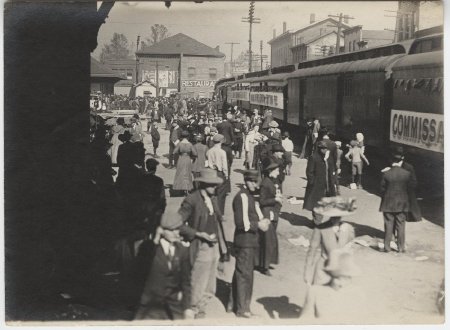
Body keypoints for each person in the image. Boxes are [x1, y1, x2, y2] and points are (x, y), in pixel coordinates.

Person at [177, 169, 229, 319]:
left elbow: (217, 219)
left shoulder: (213, 198)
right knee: (198, 279)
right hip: (201, 245)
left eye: (215, 185)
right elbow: (178, 223)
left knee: (210, 281)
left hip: (214, 245)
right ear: (202, 184)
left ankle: (202, 307)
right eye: (211, 185)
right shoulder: (192, 199)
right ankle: (192, 307)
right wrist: (199, 234)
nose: (214, 187)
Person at [134, 212, 193, 320]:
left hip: (174, 307)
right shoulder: (149, 249)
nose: (176, 233)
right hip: (150, 308)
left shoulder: (183, 251)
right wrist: (156, 238)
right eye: (171, 230)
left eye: (177, 229)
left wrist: (187, 308)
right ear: (162, 230)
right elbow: (141, 267)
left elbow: (186, 282)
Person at [228, 170, 270, 318]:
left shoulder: (250, 196)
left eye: (256, 182)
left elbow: (256, 215)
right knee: (245, 275)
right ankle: (242, 309)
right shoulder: (243, 197)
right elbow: (241, 223)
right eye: (252, 182)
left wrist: (264, 220)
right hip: (244, 241)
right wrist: (258, 224)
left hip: (251, 241)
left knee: (242, 272)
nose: (254, 185)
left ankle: (233, 303)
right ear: (246, 181)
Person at [302, 249, 367, 323]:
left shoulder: (357, 294)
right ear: (330, 274)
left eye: (346, 277)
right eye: (337, 277)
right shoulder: (315, 291)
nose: (340, 283)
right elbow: (305, 320)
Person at [304, 196, 356, 286]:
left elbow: (350, 252)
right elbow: (312, 250)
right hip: (323, 269)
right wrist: (307, 272)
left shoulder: (348, 228)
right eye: (333, 216)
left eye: (338, 216)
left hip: (340, 270)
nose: (336, 218)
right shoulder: (321, 228)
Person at [379, 150, 415, 253]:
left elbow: (381, 189)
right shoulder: (406, 174)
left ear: (391, 161)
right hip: (402, 203)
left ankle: (387, 247)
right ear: (400, 161)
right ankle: (401, 247)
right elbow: (411, 187)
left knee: (388, 224)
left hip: (388, 203)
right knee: (401, 225)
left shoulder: (386, 173)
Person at [256, 158, 281, 276]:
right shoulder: (266, 183)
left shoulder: (271, 181)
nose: (278, 172)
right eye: (277, 170)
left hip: (271, 211)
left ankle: (264, 263)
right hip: (266, 213)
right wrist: (274, 199)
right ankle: (264, 266)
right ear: (271, 171)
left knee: (269, 239)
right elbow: (262, 201)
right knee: (267, 240)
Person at [303, 141, 336, 220]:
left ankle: (317, 221)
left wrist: (332, 182)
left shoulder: (327, 158)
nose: (325, 150)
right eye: (323, 149)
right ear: (319, 149)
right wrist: (312, 182)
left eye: (326, 149)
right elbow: (309, 172)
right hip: (316, 186)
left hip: (326, 186)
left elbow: (330, 170)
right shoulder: (314, 157)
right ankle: (317, 222)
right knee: (316, 203)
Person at [141, 158, 166, 238]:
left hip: (143, 208)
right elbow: (162, 197)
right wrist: (162, 209)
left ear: (146, 167)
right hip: (155, 209)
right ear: (155, 169)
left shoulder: (140, 179)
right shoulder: (159, 181)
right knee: (155, 232)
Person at [206, 134, 229, 215]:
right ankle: (220, 212)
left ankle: (211, 210)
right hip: (220, 173)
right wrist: (226, 175)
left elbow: (207, 163)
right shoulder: (222, 152)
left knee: (212, 193)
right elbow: (224, 165)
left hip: (211, 173)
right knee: (221, 194)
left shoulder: (209, 151)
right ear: (221, 142)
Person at [173, 130, 197, 195]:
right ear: (188, 136)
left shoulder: (180, 144)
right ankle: (187, 188)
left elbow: (174, 152)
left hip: (181, 158)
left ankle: (181, 188)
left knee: (180, 173)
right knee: (187, 173)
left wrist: (179, 153)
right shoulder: (190, 144)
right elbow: (195, 153)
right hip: (188, 159)